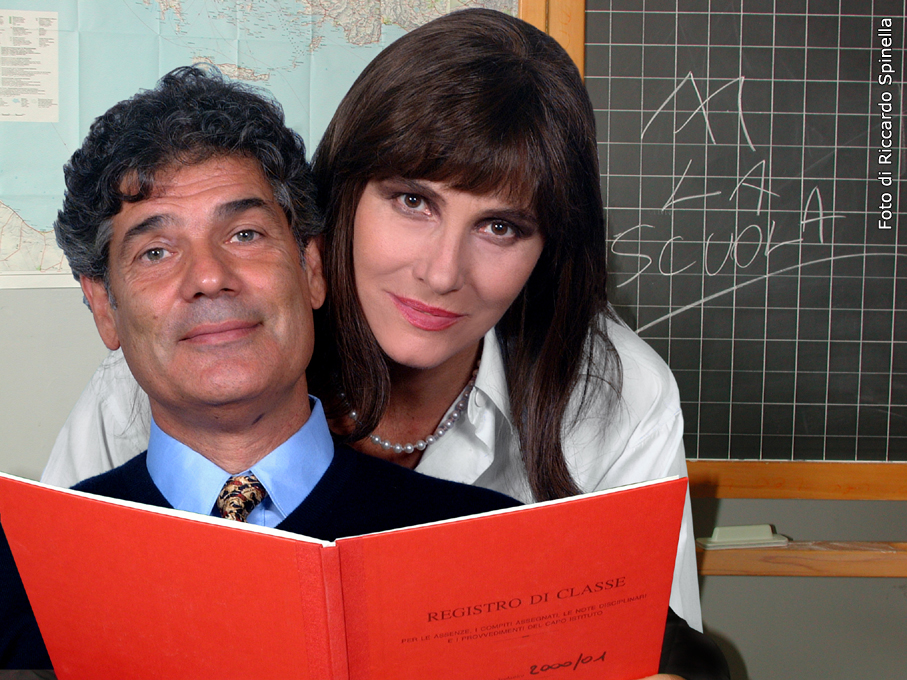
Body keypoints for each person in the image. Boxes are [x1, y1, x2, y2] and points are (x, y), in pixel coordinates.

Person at [45, 6, 700, 638]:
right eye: (413, 202)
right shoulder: (187, 367)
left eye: (500, 227)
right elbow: (55, 597)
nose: (442, 272)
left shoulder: (615, 396)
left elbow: (653, 649)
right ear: (342, 199)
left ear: (547, 247)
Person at [0, 65, 521, 669]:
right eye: (156, 251)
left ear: (311, 269)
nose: (209, 277)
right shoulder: (21, 568)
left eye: (245, 234)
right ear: (102, 307)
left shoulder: (486, 550)